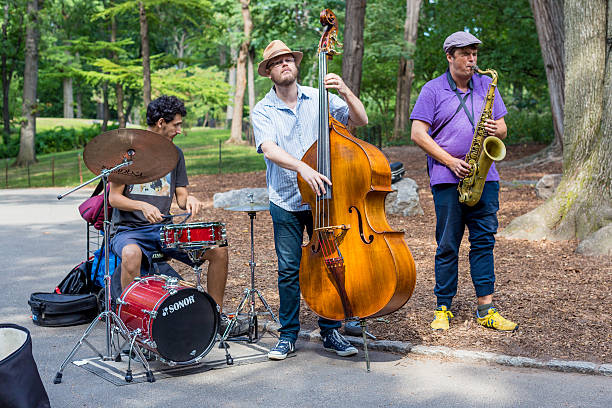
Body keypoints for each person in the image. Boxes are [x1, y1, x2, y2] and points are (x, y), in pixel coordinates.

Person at [251, 40, 369, 360]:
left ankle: (330, 331)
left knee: (331, 263)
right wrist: (303, 166)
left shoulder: (319, 98)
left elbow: (360, 119)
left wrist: (345, 90)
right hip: (286, 199)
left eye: (289, 59)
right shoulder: (263, 109)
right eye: (278, 62)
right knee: (289, 269)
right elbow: (269, 149)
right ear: (270, 72)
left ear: (297, 64)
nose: (285, 64)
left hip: (324, 198)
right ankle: (288, 335)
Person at [410, 32, 518, 332]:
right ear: (450, 56)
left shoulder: (487, 85)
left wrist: (496, 127)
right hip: (448, 178)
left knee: (484, 244)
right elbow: (418, 134)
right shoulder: (432, 89)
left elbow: (504, 129)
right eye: (466, 54)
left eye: (474, 54)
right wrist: (449, 161)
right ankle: (443, 308)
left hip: (485, 178)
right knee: (447, 245)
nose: (472, 60)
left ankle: (486, 308)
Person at [108, 95, 229, 324]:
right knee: (131, 254)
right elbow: (114, 198)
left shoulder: (176, 155)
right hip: (128, 232)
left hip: (163, 230)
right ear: (161, 122)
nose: (180, 130)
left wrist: (190, 199)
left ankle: (215, 318)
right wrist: (141, 205)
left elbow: (181, 197)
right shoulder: (128, 153)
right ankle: (132, 324)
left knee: (218, 250)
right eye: (177, 125)